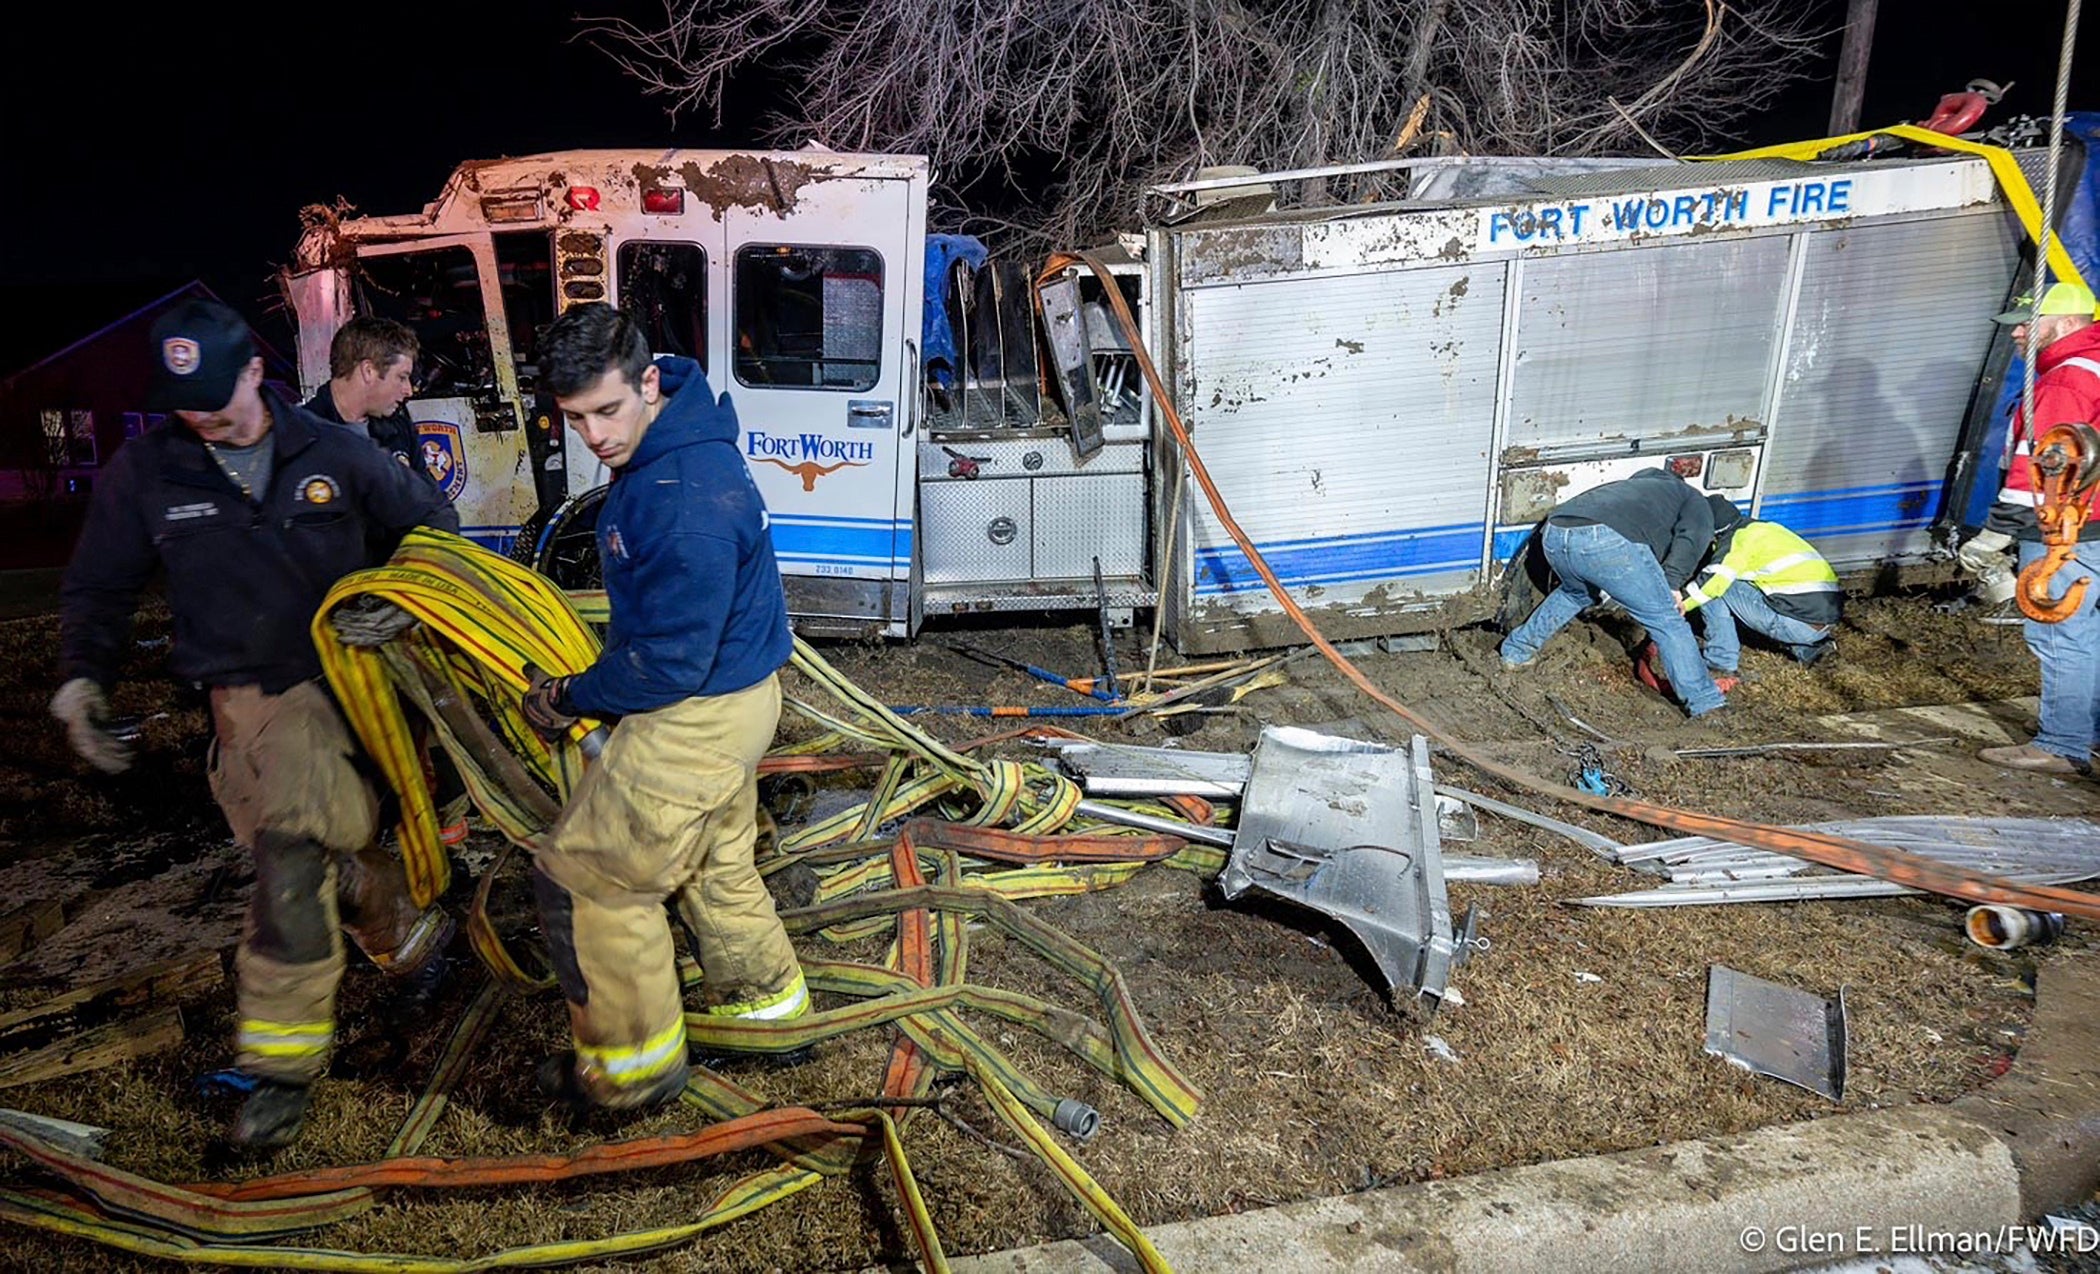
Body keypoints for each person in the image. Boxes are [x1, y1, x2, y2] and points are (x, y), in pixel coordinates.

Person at [49, 299, 460, 1152]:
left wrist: (394, 596)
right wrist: (81, 681)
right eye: (182, 400)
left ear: (252, 371)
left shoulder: (337, 454)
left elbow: (434, 527)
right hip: (242, 707)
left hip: (346, 690)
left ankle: (281, 1072)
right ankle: (414, 940)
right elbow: (98, 587)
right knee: (313, 860)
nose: (201, 414)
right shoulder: (148, 472)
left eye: (215, 393)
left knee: (290, 861)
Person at [519, 302, 805, 1110]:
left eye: (608, 410)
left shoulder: (680, 493)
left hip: (695, 714)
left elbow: (671, 660)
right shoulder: (680, 443)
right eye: (576, 419)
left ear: (649, 382)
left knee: (589, 879)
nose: (597, 436)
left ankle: (632, 1077)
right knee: (716, 865)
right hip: (739, 701)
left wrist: (572, 695)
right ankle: (772, 1013)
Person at [1969, 282, 2100, 776]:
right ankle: (2090, 735)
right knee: (2091, 632)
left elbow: (2043, 465)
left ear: (2065, 324)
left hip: (2068, 529)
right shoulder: (2094, 366)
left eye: (2028, 324)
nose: (2017, 334)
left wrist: (1995, 533)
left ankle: (2063, 745)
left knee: (2061, 632)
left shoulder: (2064, 381)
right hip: (2094, 524)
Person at [1499, 468, 1727, 717]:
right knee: (1668, 621)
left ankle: (1516, 652)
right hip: (1606, 537)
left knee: (1575, 594)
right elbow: (1693, 539)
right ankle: (1706, 704)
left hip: (1555, 532)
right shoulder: (1693, 498)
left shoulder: (1631, 488)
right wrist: (1673, 583)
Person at [1678, 494, 1841, 673]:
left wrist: (1675, 606)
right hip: (1824, 621)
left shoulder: (1737, 540)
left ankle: (1721, 661)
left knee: (1717, 588)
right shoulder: (1763, 528)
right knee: (1742, 587)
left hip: (1798, 623)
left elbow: (1712, 583)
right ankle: (1811, 648)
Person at [303, 316, 434, 482]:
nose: (409, 391)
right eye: (401, 377)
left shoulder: (400, 431)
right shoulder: (299, 435)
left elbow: (431, 502)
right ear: (368, 371)